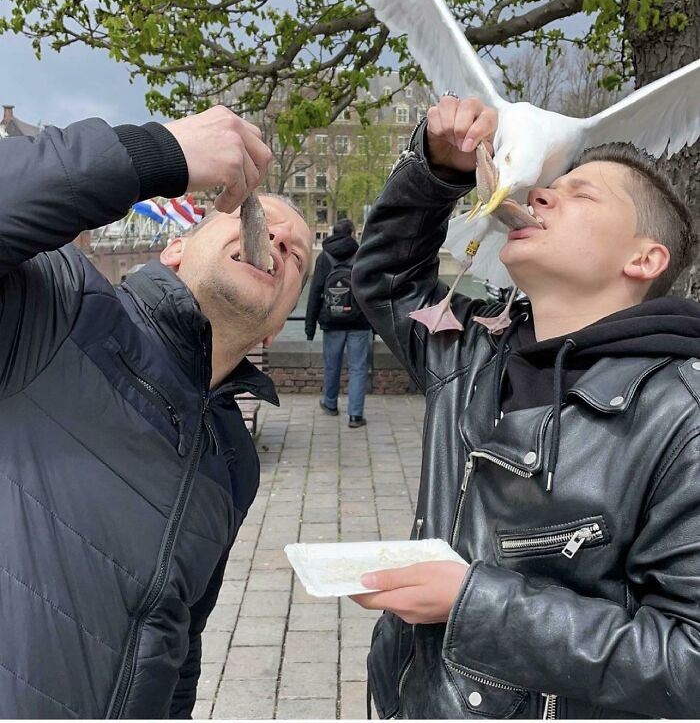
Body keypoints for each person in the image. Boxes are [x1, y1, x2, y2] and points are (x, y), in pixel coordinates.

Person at [350, 95, 700, 719]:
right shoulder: (468, 355)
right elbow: (387, 280)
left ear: (644, 259)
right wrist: (437, 170)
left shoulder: (682, 418)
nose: (539, 195)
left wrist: (472, 604)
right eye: (546, 187)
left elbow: (687, 661)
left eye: (581, 195)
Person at [0, 106, 312, 718]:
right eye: (258, 220)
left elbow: (178, 638)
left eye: (297, 256)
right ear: (174, 250)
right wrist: (151, 155)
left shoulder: (233, 460)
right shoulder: (59, 308)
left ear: (277, 326)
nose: (277, 239)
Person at [305, 217, 372, 427]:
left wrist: (310, 327)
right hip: (359, 322)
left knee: (332, 366)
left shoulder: (324, 257)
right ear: (352, 233)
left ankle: (330, 403)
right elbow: (370, 290)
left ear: (333, 232)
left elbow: (315, 292)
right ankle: (355, 415)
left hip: (331, 320)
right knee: (358, 368)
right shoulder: (362, 254)